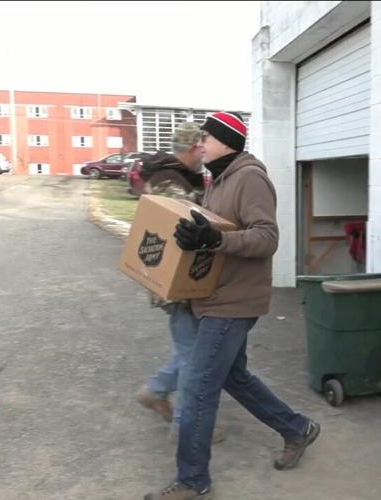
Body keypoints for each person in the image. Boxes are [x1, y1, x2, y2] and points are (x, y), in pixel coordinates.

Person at [145, 112, 319, 500]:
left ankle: (192, 479)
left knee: (198, 388)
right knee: (232, 377)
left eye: (206, 138)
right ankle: (297, 428)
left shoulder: (249, 177)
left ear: (226, 141)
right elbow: (214, 232)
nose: (199, 144)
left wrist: (213, 241)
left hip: (234, 301)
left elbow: (266, 238)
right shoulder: (219, 179)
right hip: (213, 296)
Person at [135, 122, 226, 444]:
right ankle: (186, 428)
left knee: (192, 352)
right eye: (200, 147)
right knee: (193, 358)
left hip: (181, 282)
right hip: (177, 285)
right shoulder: (169, 183)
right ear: (190, 149)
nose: (204, 153)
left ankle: (155, 391)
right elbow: (182, 229)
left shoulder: (174, 177)